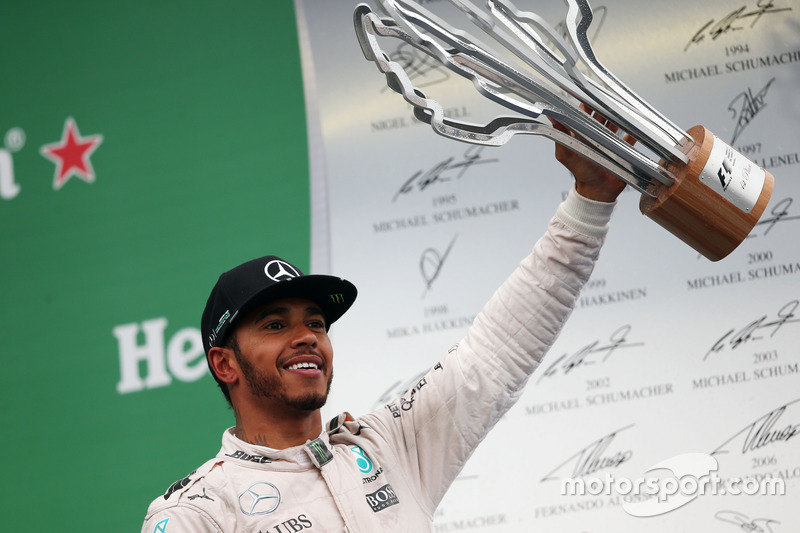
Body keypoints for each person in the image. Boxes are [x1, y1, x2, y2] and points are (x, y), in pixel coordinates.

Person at [140, 111, 629, 532]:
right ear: (224, 364)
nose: (307, 336)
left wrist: (591, 199)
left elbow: (499, 349)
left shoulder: (388, 443)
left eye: (317, 322)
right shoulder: (196, 512)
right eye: (275, 325)